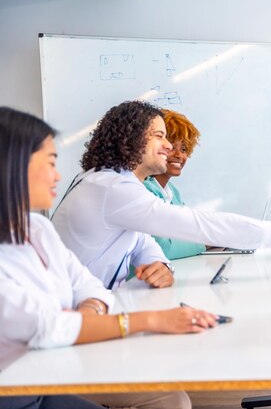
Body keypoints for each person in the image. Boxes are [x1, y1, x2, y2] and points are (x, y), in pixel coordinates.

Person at [0, 107, 218, 409]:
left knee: (173, 398)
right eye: (50, 163)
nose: (58, 175)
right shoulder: (109, 187)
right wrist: (150, 320)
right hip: (20, 388)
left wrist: (89, 308)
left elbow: (88, 283)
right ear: (12, 166)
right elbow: (46, 327)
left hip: (48, 373)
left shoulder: (36, 228)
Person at [52, 101, 271, 290]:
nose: (168, 146)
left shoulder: (111, 182)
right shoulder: (112, 187)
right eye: (159, 136)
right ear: (129, 139)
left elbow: (142, 240)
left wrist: (158, 263)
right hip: (77, 319)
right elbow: (197, 225)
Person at [143, 109, 205, 260]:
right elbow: (164, 249)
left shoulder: (172, 192)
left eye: (184, 149)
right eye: (171, 146)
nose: (178, 155)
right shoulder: (142, 189)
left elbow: (190, 230)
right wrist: (204, 243)